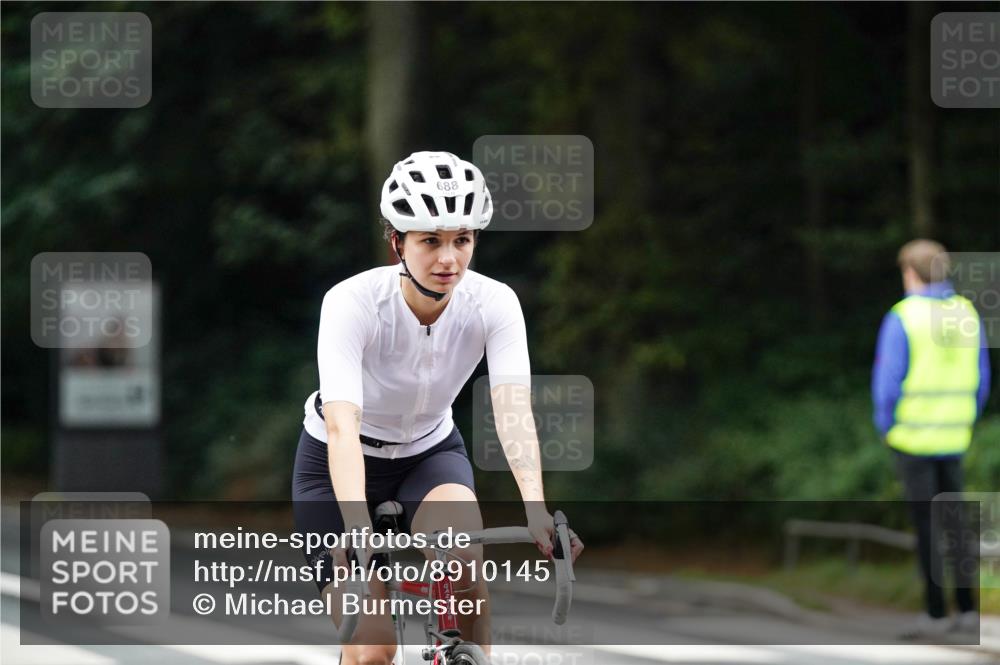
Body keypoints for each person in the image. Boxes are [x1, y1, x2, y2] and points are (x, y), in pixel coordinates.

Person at [292, 151, 584, 665]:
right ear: (396, 242)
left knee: (464, 559)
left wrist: (535, 508)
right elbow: (342, 426)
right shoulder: (351, 302)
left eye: (462, 240)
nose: (449, 259)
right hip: (336, 464)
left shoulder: (494, 303)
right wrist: (357, 527)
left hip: (429, 455)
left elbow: (511, 407)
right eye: (431, 241)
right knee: (373, 649)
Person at [871, 239, 991, 639]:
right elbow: (982, 377)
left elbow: (887, 383)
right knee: (957, 524)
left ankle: (936, 614)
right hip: (955, 436)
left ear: (910, 273)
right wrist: (967, 418)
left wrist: (886, 426)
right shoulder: (966, 311)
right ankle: (969, 610)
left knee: (928, 529)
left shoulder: (904, 316)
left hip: (914, 439)